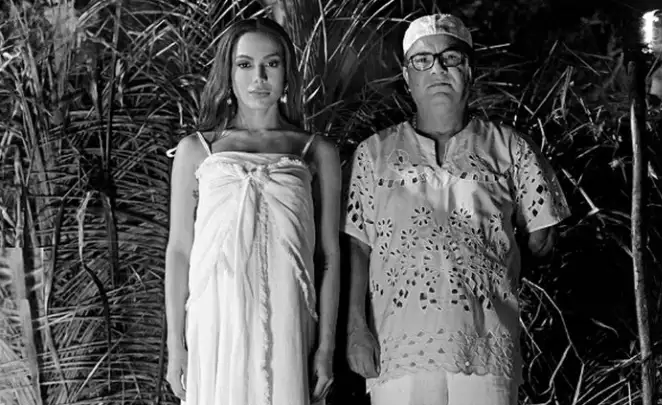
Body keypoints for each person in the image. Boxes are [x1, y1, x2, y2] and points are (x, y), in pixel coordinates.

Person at [342, 14, 571, 405]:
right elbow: (357, 246)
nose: (437, 70)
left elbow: (542, 239)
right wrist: (356, 330)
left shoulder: (510, 148)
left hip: (487, 348)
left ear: (470, 70)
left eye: (451, 58)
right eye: (422, 60)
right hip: (398, 349)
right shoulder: (374, 154)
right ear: (406, 75)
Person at [163, 18, 342, 405]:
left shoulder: (317, 151)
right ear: (228, 73)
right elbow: (179, 250)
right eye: (245, 64)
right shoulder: (196, 149)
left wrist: (326, 348)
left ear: (287, 72)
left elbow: (328, 255)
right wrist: (175, 346)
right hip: (215, 320)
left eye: (271, 64)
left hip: (289, 316)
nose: (258, 78)